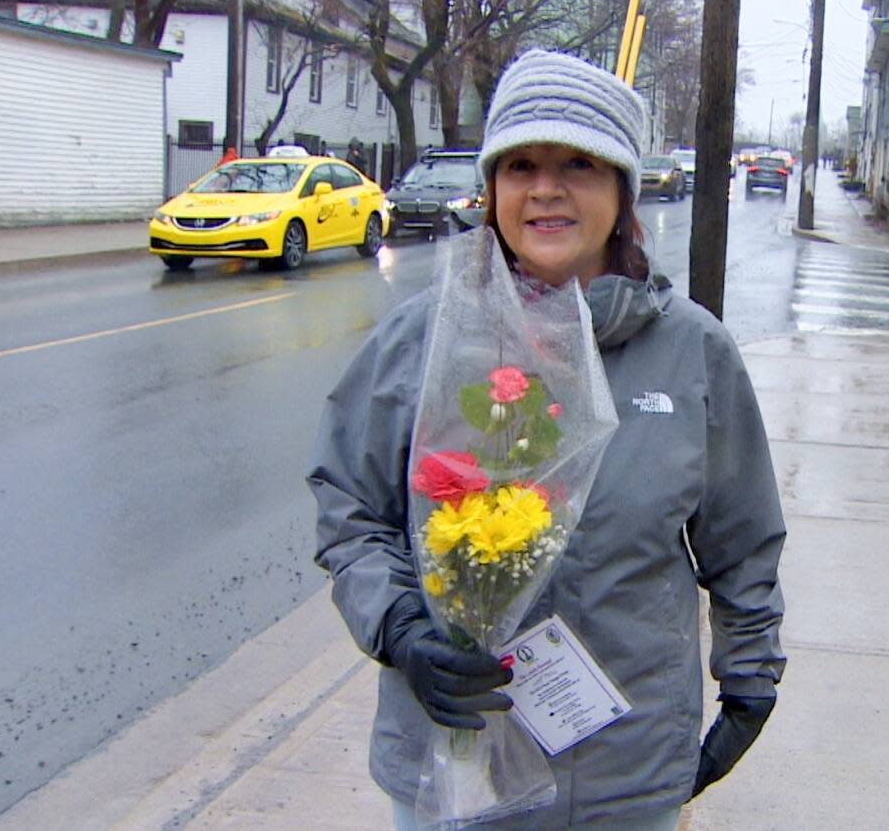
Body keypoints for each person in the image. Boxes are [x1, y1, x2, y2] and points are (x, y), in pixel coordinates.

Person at [308, 49, 786, 830]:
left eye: (580, 164)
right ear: (492, 185)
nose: (546, 189)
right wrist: (400, 628)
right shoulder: (420, 342)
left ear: (622, 188)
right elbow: (350, 506)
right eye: (521, 164)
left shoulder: (693, 353)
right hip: (451, 762)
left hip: (622, 773)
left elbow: (743, 538)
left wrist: (751, 677)